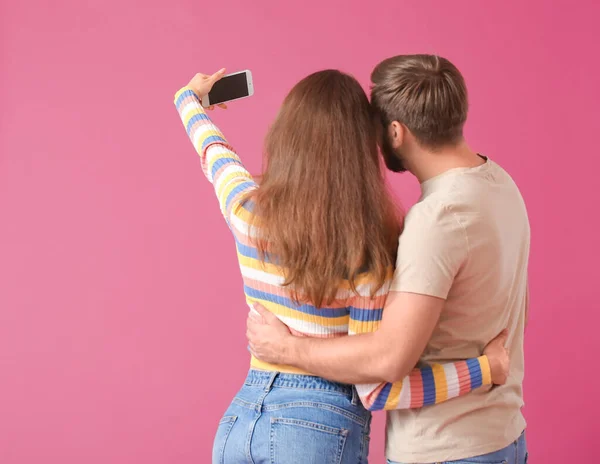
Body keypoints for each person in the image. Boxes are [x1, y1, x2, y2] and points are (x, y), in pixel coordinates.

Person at [174, 68, 510, 464]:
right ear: (364, 147)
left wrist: (190, 98)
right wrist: (485, 368)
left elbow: (213, 151)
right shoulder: (366, 256)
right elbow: (378, 388)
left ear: (286, 136)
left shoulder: (246, 210)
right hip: (314, 430)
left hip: (240, 423)